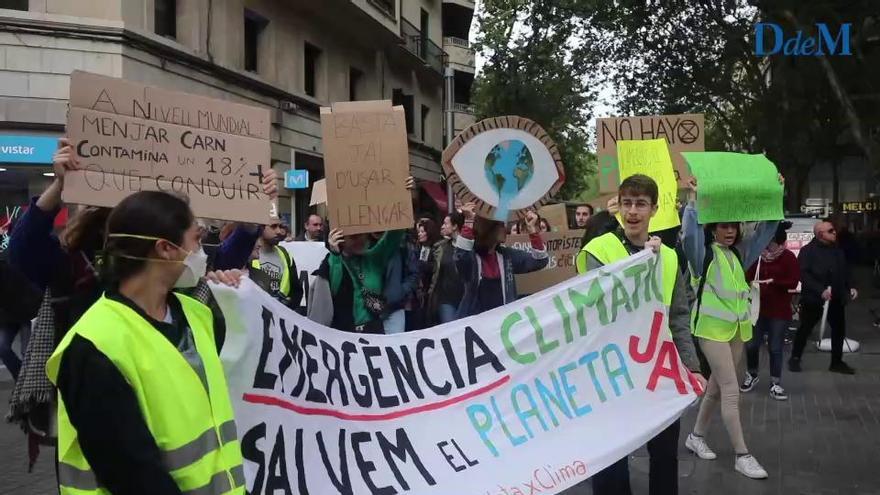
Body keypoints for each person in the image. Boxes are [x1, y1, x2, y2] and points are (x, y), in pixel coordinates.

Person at [45, 190, 246, 494]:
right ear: (166, 249)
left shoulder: (196, 314)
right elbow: (132, 475)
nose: (202, 251)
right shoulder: (93, 346)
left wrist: (236, 298)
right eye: (196, 238)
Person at [575, 174, 705, 495]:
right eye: (628, 203)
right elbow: (588, 313)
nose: (633, 211)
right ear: (618, 206)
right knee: (612, 458)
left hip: (657, 372)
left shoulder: (669, 257)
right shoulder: (599, 250)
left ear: (654, 209)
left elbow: (677, 317)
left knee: (664, 455)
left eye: (641, 204)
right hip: (613, 374)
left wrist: (691, 367)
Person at [680, 175, 782, 480]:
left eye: (733, 225)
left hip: (736, 330)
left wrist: (777, 192)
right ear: (713, 227)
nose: (729, 230)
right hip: (710, 331)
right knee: (730, 390)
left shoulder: (740, 253)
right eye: (723, 225)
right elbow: (688, 236)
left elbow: (767, 230)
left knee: (715, 389)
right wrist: (693, 201)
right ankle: (742, 454)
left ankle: (696, 436)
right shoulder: (703, 254)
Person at [308, 177, 416, 333]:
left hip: (373, 335)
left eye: (362, 235)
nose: (360, 240)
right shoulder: (333, 261)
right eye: (353, 236)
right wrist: (335, 253)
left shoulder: (375, 257)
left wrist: (404, 196)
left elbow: (395, 233)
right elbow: (334, 289)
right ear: (341, 238)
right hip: (344, 337)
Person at [454, 204, 548, 318]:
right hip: (474, 324)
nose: (506, 228)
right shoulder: (472, 257)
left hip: (500, 324)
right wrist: (469, 221)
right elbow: (460, 257)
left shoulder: (506, 256)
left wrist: (533, 231)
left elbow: (540, 261)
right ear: (488, 228)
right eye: (501, 225)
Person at [789, 220, 858, 374]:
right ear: (821, 234)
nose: (835, 232)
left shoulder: (837, 250)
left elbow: (845, 270)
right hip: (814, 299)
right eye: (831, 230)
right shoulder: (808, 251)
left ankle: (837, 362)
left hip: (836, 298)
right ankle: (795, 358)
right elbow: (803, 274)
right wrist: (820, 290)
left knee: (839, 330)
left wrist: (851, 286)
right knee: (805, 328)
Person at [741, 222, 799, 400]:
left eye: (771, 241)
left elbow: (793, 281)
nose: (768, 245)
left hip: (779, 310)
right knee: (751, 344)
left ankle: (776, 382)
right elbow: (746, 276)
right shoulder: (756, 256)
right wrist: (751, 284)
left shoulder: (788, 257)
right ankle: (752, 374)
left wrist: (773, 282)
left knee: (775, 347)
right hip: (756, 309)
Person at [249, 222, 304, 311]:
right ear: (260, 227)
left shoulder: (285, 255)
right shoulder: (249, 255)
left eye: (280, 226)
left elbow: (296, 291)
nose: (279, 231)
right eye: (273, 227)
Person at [427, 211, 465, 324]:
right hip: (446, 300)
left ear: (455, 226)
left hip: (465, 298)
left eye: (446, 223)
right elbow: (435, 273)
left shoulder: (468, 247)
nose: (443, 226)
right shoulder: (440, 247)